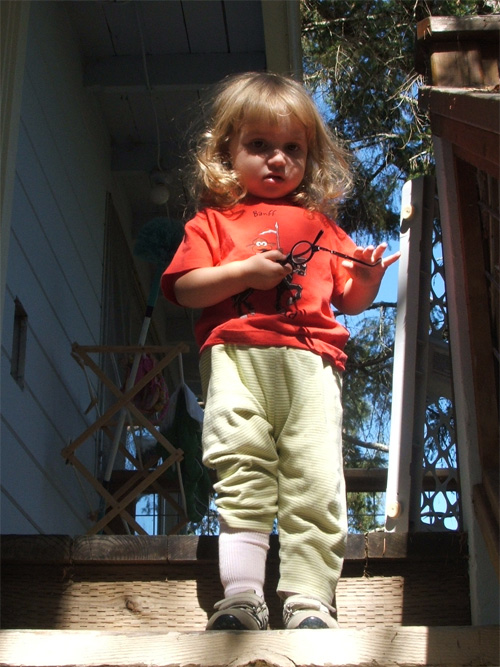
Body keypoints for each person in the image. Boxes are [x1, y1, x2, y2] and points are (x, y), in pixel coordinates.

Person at [161, 72, 400, 631]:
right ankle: (242, 597)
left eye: (293, 148)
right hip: (235, 358)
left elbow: (351, 298)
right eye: (260, 144)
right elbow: (186, 288)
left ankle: (309, 600)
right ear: (228, 151)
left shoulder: (321, 226)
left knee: (314, 475)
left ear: (309, 159)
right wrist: (243, 272)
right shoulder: (212, 222)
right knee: (241, 468)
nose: (277, 159)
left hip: (311, 362)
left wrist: (366, 277)